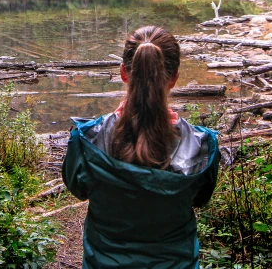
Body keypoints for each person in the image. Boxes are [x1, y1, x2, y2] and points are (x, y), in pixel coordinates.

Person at [62, 25, 220, 269]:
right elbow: (200, 199)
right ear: (175, 77)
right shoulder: (202, 145)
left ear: (124, 73)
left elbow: (78, 189)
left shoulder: (87, 140)